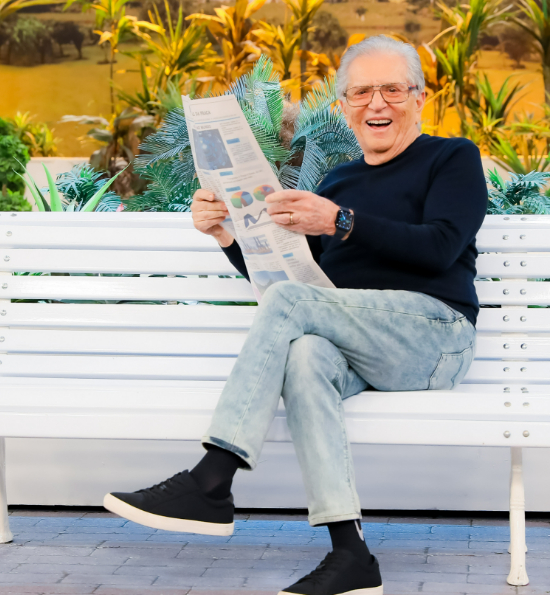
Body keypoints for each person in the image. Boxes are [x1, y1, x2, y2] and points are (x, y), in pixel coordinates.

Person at [103, 35, 488, 595]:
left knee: (293, 315)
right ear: (344, 106)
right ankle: (351, 555)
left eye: (391, 89)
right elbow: (295, 286)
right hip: (362, 341)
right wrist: (226, 235)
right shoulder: (338, 183)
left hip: (435, 336)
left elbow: (441, 247)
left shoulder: (451, 158)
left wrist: (341, 221)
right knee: (305, 355)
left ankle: (212, 480)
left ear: (420, 97)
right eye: (361, 92)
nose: (376, 103)